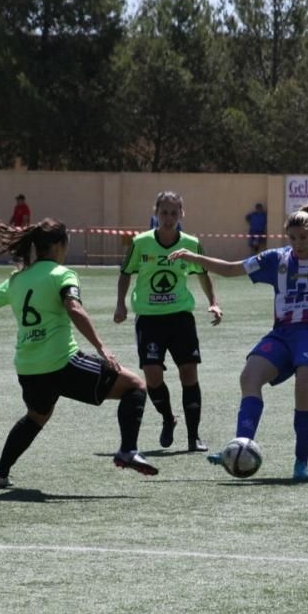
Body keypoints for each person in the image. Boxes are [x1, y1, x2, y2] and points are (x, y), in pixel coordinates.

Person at [168, 204, 308, 481]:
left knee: (304, 385)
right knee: (249, 377)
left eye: (304, 237)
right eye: (293, 238)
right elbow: (232, 269)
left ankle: (301, 462)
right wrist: (195, 258)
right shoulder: (276, 259)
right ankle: (241, 446)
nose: (298, 243)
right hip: (282, 334)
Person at [0, 218, 158, 488]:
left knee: (37, 416)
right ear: (60, 245)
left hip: (27, 368)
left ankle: (0, 473)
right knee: (135, 386)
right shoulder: (63, 274)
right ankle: (128, 450)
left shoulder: (17, 279)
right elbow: (74, 308)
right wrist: (101, 347)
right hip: (61, 364)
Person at [115, 191, 221, 452]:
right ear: (155, 213)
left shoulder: (190, 243)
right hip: (149, 319)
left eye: (174, 213)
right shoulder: (140, 243)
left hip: (180, 317)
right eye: (164, 212)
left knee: (188, 373)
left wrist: (213, 302)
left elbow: (203, 273)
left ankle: (193, 437)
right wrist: (121, 304)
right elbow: (125, 272)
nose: (169, 218)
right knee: (152, 376)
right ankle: (167, 418)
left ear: (182, 214)